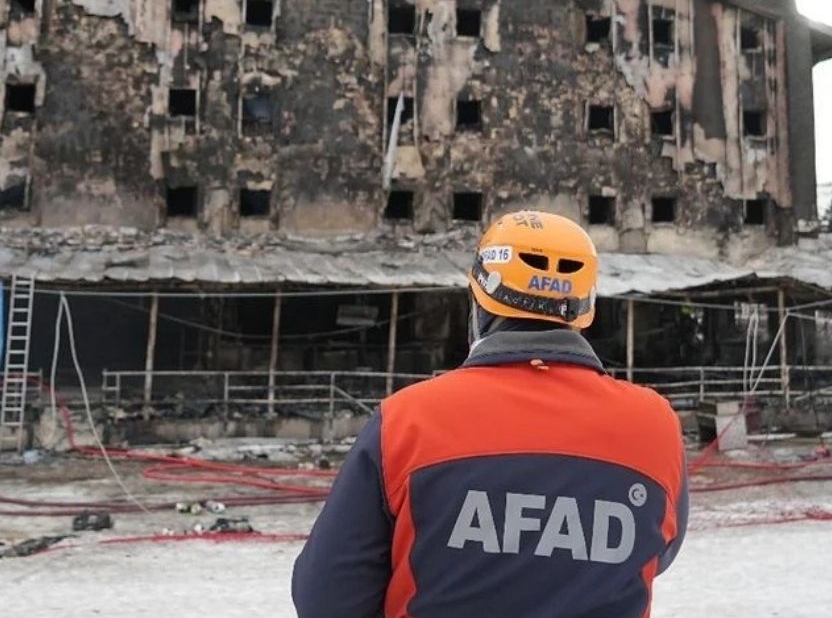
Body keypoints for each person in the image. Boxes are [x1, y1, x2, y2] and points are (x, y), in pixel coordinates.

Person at [292, 210, 687, 617]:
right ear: (582, 312)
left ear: (478, 304)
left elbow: (326, 597)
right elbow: (657, 550)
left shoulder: (408, 420)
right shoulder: (655, 425)